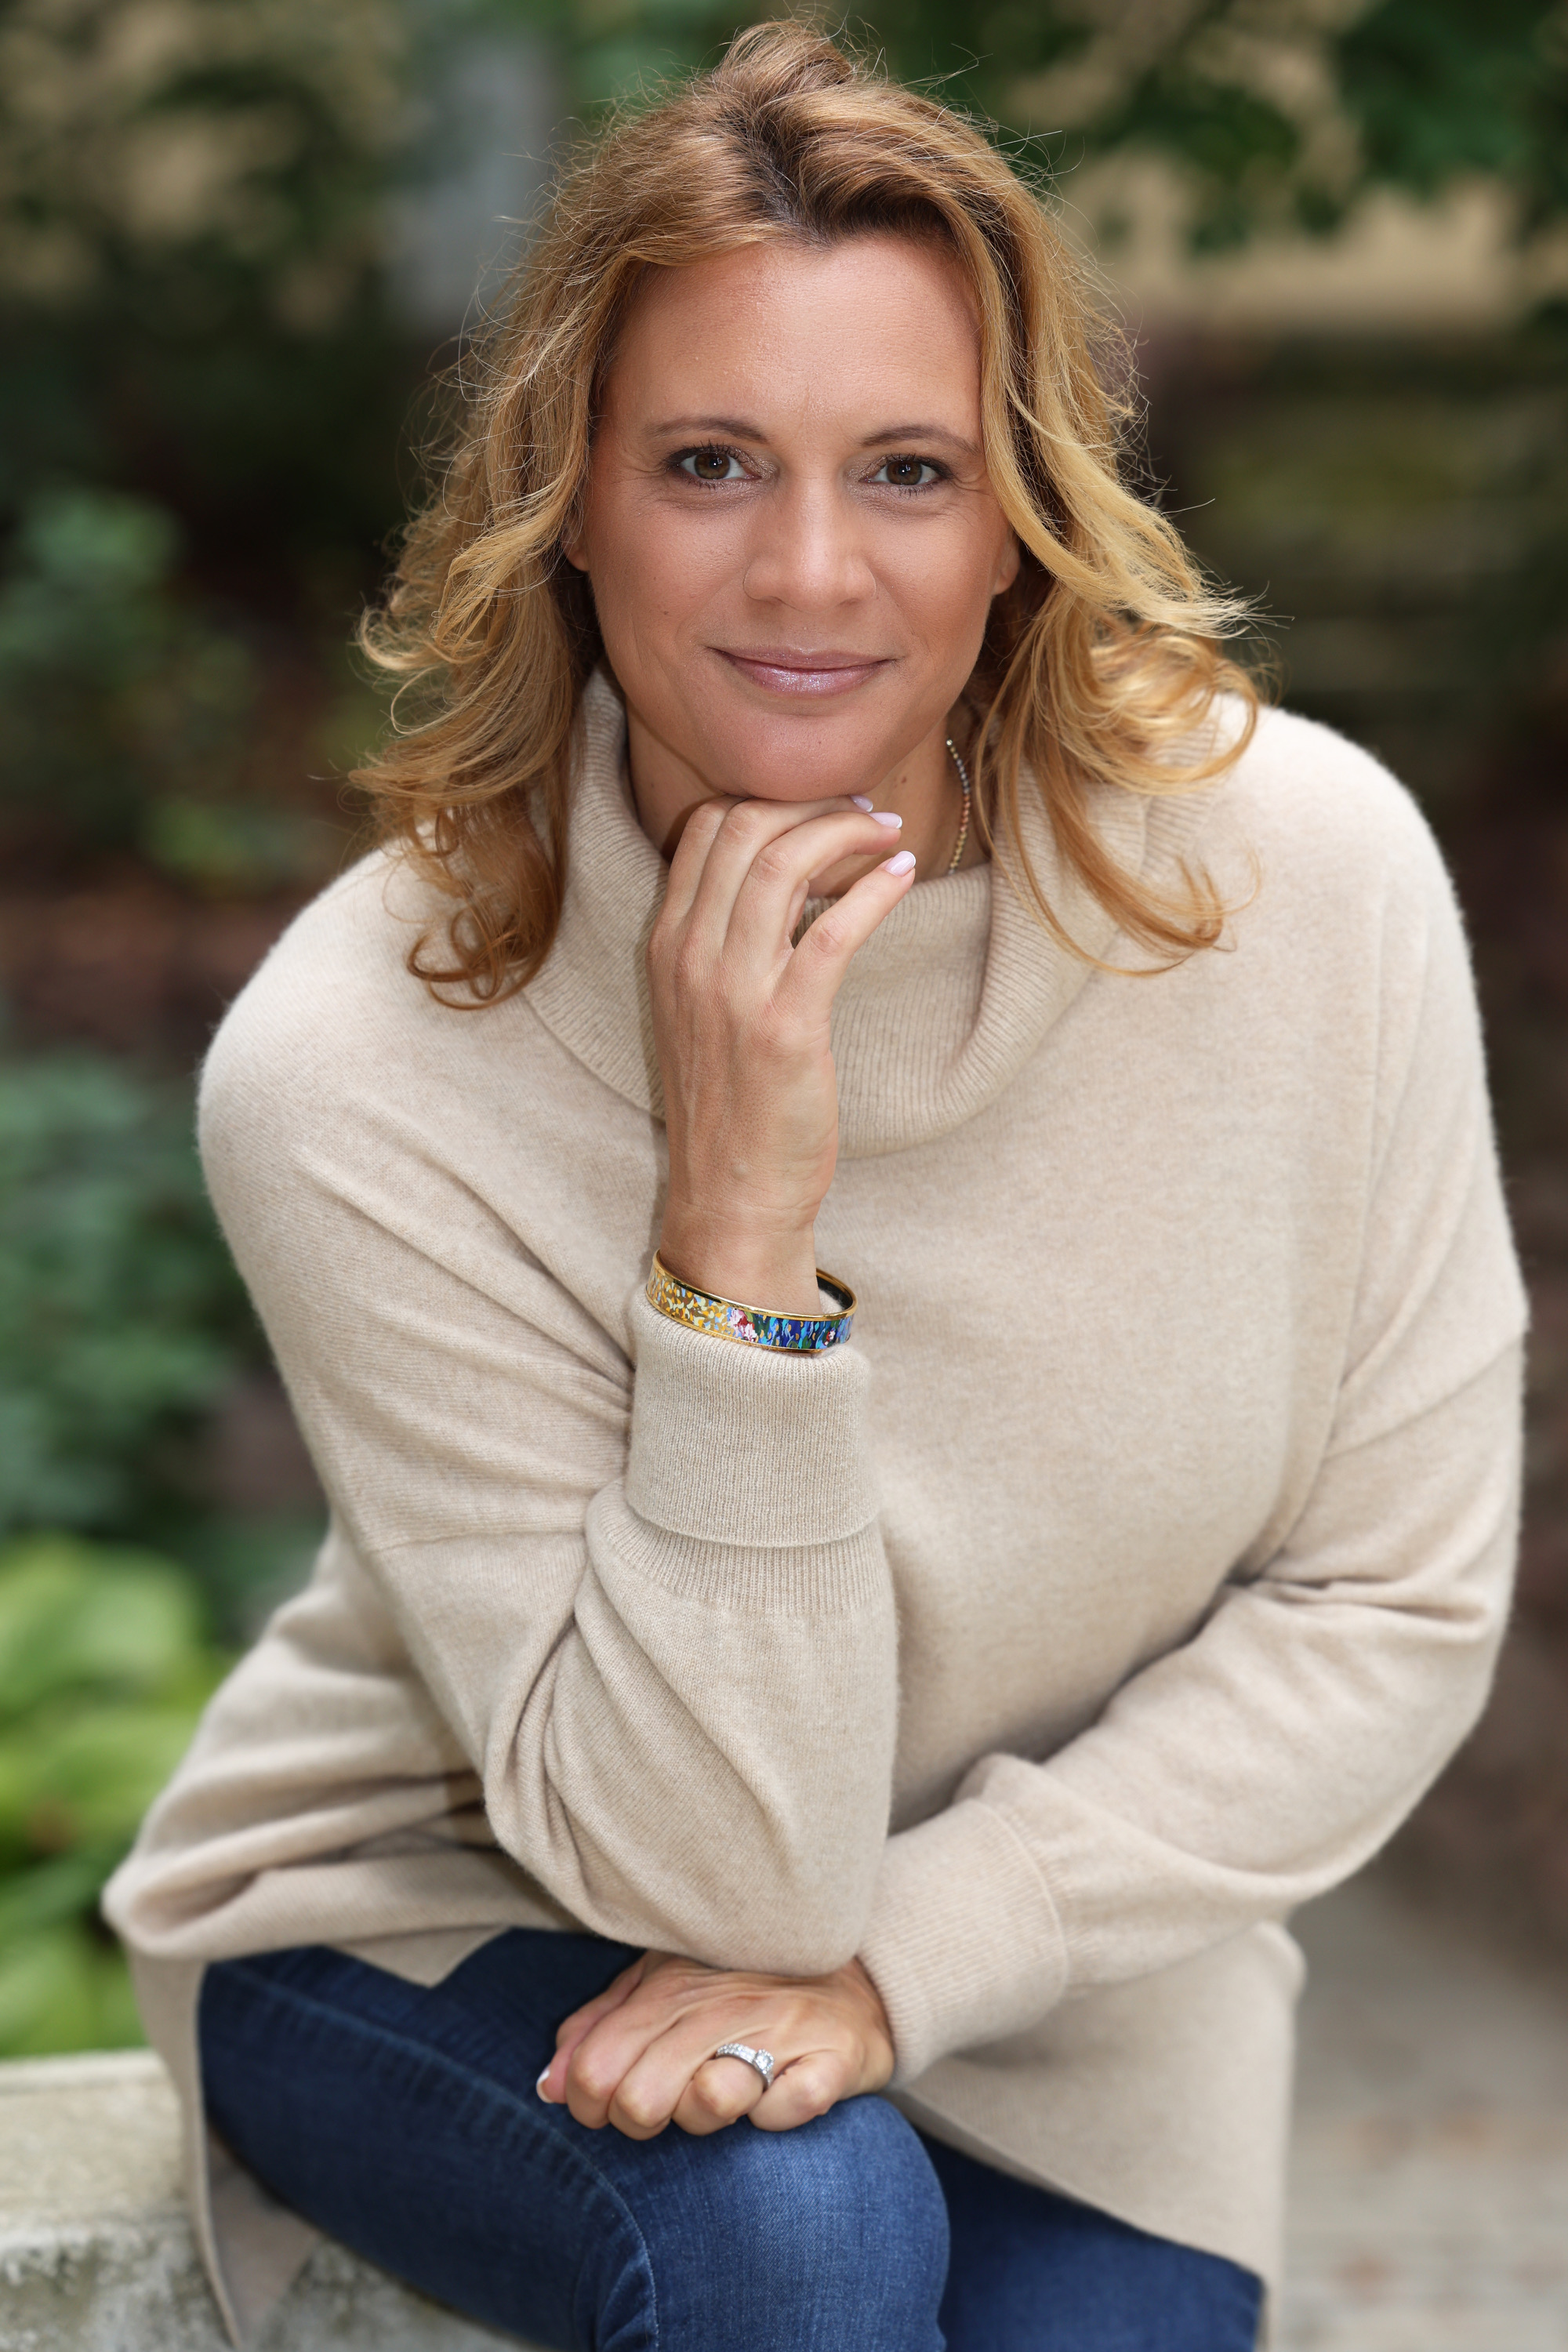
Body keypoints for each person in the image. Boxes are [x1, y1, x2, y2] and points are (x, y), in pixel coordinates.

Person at [106, 24, 1526, 2352]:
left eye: (907, 471)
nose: (806, 569)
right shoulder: (360, 1062)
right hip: (447, 1912)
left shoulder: (1309, 884)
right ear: (570, 497)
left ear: (1019, 513)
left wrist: (908, 1964)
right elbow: (713, 1873)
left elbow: (1392, 1603)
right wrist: (736, 1240)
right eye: (706, 464)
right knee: (795, 2220)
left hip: (1077, 1990)